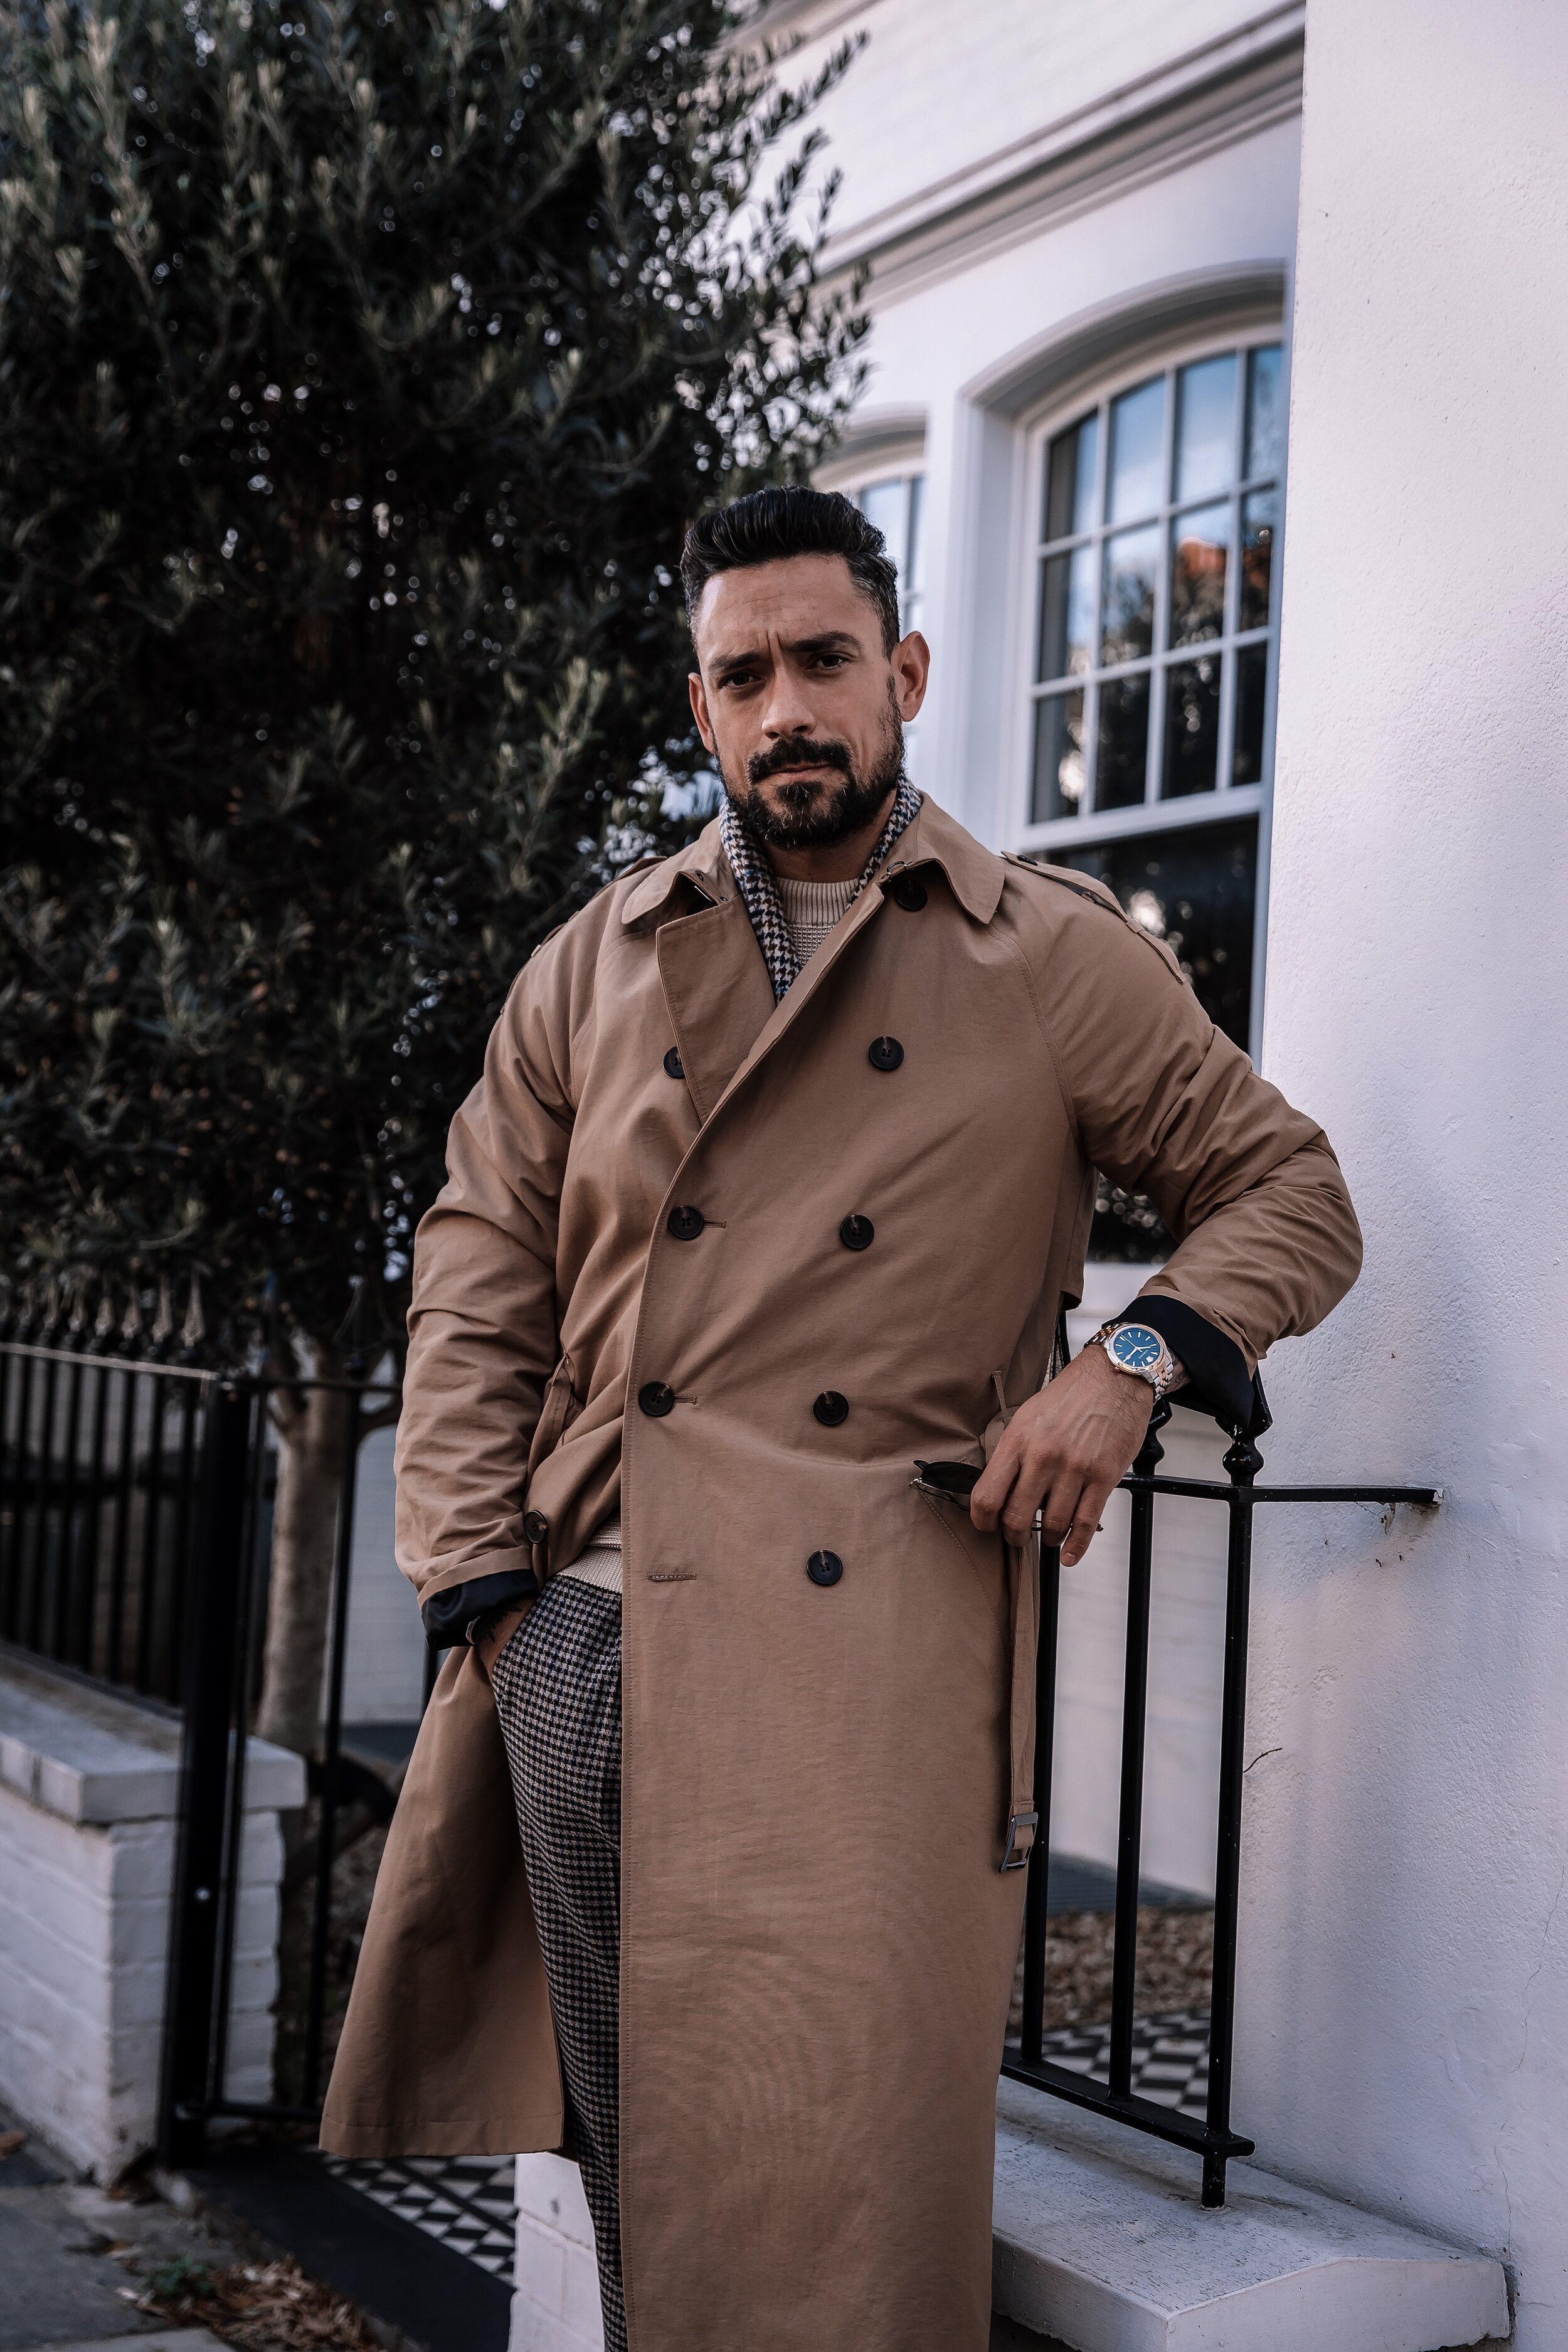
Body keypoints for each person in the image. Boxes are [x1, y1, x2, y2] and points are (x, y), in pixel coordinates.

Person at [322, 486, 1362, 2352]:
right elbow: (476, 1270)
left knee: (841, 2153)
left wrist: (1127, 1368)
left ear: (905, 673)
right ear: (699, 707)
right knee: (648, 2149)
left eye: (823, 660)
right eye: (744, 676)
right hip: (601, 1624)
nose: (787, 707)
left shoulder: (1045, 955)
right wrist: (481, 1581)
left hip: (879, 1635)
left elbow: (1288, 1188)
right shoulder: (594, 962)